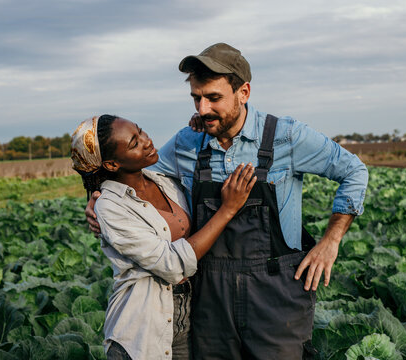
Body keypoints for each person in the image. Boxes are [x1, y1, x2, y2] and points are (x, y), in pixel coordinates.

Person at [86, 43, 369, 359]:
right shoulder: (188, 142)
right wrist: (99, 198)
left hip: (276, 300)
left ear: (244, 92)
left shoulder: (286, 136)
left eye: (213, 98)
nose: (202, 108)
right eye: (197, 98)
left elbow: (353, 170)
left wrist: (331, 240)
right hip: (211, 303)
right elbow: (132, 175)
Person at [71, 114, 256, 360]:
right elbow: (172, 265)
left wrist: (202, 123)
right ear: (112, 165)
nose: (147, 141)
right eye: (134, 143)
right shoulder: (110, 207)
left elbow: (192, 144)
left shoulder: (164, 180)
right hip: (142, 329)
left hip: (188, 319)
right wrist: (228, 210)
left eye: (140, 131)